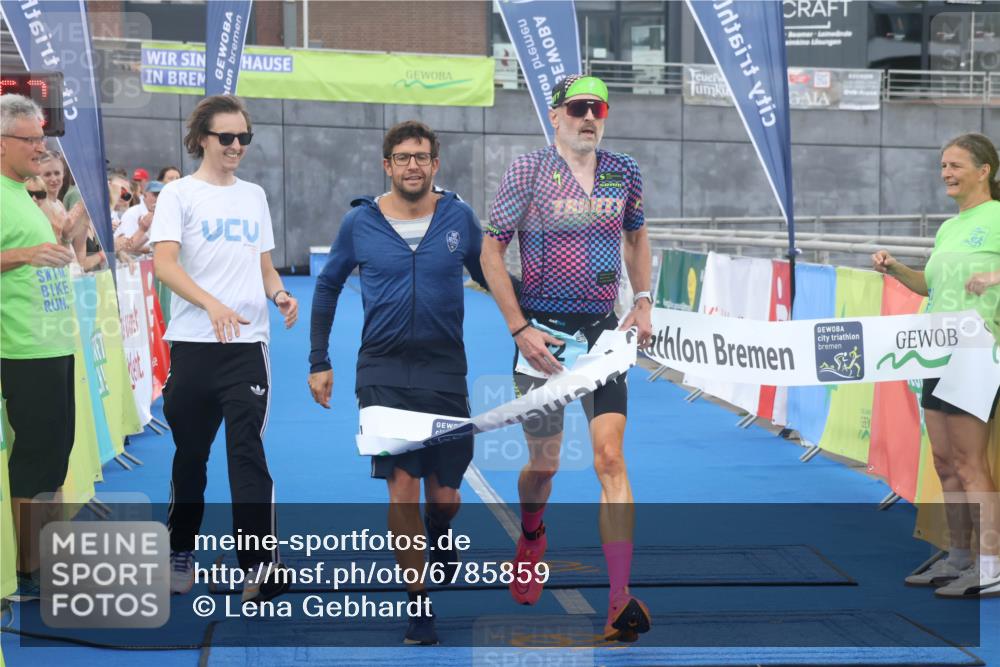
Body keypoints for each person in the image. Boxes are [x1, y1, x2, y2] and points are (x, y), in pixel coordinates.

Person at [481, 75, 654, 641]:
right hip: (545, 340)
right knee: (545, 468)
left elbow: (637, 236)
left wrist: (644, 301)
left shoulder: (623, 170)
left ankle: (620, 598)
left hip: (604, 334)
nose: (589, 116)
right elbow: (491, 249)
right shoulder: (527, 171)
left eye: (597, 108)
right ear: (554, 116)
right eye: (578, 107)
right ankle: (532, 534)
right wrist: (519, 328)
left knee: (610, 460)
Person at [309, 120, 487, 646]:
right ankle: (419, 603)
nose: (413, 165)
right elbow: (327, 287)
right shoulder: (360, 223)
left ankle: (442, 532)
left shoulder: (459, 217)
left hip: (444, 370)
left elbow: (492, 275)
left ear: (436, 165)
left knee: (446, 497)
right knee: (402, 488)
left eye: (422, 157)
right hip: (382, 372)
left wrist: (534, 324)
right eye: (403, 157)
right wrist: (319, 360)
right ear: (387, 165)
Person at [150, 94, 298, 604]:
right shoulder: (179, 195)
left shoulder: (253, 195)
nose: (237, 146)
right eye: (227, 138)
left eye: (244, 138)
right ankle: (180, 546)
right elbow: (164, 265)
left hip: (246, 347)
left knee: (246, 453)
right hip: (192, 347)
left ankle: (260, 563)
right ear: (202, 140)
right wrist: (212, 305)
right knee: (191, 456)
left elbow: (264, 267)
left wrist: (278, 293)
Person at [873, 132, 1000, 599]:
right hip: (936, 350)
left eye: (955, 165)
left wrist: (995, 275)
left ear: (984, 171)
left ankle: (992, 565)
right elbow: (928, 285)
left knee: (970, 463)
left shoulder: (998, 217)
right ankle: (959, 557)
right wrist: (894, 267)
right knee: (945, 462)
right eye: (942, 166)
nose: (946, 173)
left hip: (976, 353)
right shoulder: (950, 226)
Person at [0, 94, 77, 601]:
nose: (40, 148)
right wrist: (27, 253)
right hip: (22, 348)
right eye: (30, 139)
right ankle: (30, 569)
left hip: (55, 343)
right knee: (34, 457)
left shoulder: (21, 192)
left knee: (57, 455)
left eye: (41, 138)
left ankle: (45, 554)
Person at [116, 180, 163, 257]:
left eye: (162, 195)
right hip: (129, 262)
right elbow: (126, 247)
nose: (159, 198)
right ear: (145, 194)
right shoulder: (132, 213)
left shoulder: (162, 214)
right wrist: (153, 249)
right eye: (156, 195)